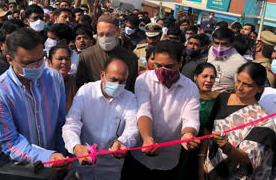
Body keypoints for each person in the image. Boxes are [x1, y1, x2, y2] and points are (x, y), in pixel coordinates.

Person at [0, 28, 70, 169]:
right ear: (10, 59)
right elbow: (9, 142)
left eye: (40, 59)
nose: (36, 67)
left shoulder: (54, 78)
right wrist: (47, 157)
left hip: (58, 163)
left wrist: (61, 154)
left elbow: (60, 122)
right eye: (28, 63)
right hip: (22, 170)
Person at [122, 40, 200, 179]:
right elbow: (144, 110)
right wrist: (147, 138)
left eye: (169, 67)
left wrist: (188, 134)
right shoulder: (143, 80)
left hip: (169, 159)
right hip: (140, 154)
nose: (163, 71)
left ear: (180, 62)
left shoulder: (190, 87)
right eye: (158, 66)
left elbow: (190, 118)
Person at [63, 57, 139, 180]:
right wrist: (76, 147)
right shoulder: (86, 92)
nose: (117, 85)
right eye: (113, 80)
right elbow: (72, 123)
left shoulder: (130, 98)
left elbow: (133, 128)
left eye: (122, 81)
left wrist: (123, 142)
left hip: (111, 166)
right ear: (102, 75)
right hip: (82, 161)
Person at [199, 62, 276, 179]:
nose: (239, 87)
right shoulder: (223, 98)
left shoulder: (263, 122)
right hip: (208, 170)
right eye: (238, 81)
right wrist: (201, 161)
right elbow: (208, 129)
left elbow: (248, 159)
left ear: (259, 88)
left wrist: (226, 147)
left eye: (247, 85)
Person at [76, 13, 138, 92]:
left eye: (109, 34)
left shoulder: (130, 58)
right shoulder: (86, 56)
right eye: (101, 34)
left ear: (118, 32)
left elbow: (132, 88)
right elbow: (80, 86)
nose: (105, 38)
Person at [208, 28, 247, 92]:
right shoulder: (211, 50)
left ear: (232, 44)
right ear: (212, 41)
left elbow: (243, 89)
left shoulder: (240, 63)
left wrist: (232, 93)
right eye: (217, 43)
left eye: (224, 44)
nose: (219, 48)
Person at [48, 45, 76, 113]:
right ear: (49, 63)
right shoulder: (43, 82)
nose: (64, 62)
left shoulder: (75, 82)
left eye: (67, 59)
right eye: (60, 59)